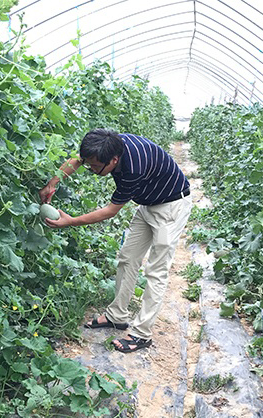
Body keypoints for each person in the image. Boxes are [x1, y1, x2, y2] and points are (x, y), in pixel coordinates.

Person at [39, 129, 192, 353]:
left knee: (156, 271)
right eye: (89, 164)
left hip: (170, 208)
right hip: (148, 204)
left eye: (95, 167)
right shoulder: (104, 146)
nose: (91, 168)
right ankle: (116, 316)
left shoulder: (133, 168)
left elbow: (110, 211)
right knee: (127, 258)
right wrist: (52, 183)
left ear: (114, 160)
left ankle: (142, 334)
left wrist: (70, 221)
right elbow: (77, 160)